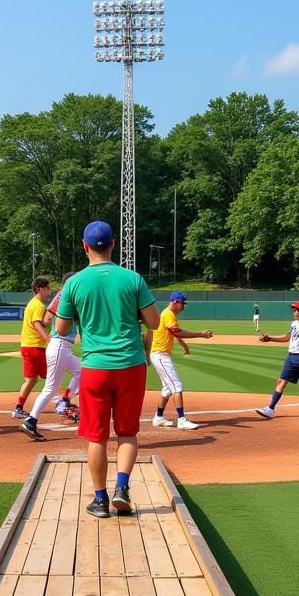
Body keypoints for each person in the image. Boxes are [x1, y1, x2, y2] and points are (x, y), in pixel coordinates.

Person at [54, 221, 159, 518]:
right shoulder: (133, 279)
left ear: (85, 246)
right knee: (127, 433)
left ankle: (100, 500)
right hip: (130, 365)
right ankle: (122, 489)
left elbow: (61, 328)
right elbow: (153, 323)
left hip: (95, 367)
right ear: (112, 244)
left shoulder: (74, 283)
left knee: (96, 437)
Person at [21, 272, 83, 441]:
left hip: (62, 347)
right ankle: (31, 420)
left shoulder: (60, 295)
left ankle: (64, 400)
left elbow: (48, 319)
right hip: (60, 345)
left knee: (82, 372)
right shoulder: (68, 295)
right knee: (50, 388)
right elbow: (48, 320)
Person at [149, 290, 213, 430]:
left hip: (159, 354)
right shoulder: (168, 314)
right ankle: (182, 420)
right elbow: (176, 332)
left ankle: (158, 418)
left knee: (167, 388)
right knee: (177, 386)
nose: (183, 307)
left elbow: (173, 333)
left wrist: (184, 345)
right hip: (160, 355)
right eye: (182, 304)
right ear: (176, 302)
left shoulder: (168, 315)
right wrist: (201, 334)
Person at [255, 301, 299, 419]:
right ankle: (270, 409)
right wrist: (270, 339)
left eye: (298, 310)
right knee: (281, 381)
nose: (295, 312)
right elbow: (287, 338)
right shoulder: (294, 324)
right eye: (294, 310)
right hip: (291, 357)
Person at [12, 278, 51, 419]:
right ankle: (63, 401)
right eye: (47, 288)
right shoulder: (39, 305)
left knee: (31, 379)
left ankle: (19, 408)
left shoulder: (33, 303)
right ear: (39, 289)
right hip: (35, 347)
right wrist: (47, 338)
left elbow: (38, 323)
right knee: (52, 377)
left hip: (28, 346)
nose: (49, 291)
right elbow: (36, 324)